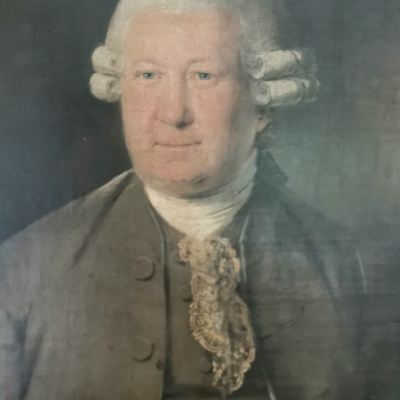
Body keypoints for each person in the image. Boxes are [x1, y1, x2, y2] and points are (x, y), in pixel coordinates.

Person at [0, 0, 371, 399]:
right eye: (148, 75)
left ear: (262, 106)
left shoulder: (349, 266)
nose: (174, 113)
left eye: (203, 75)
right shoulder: (25, 267)